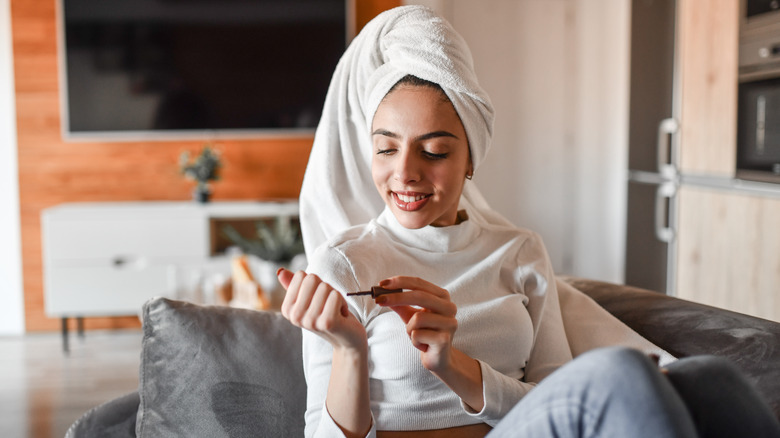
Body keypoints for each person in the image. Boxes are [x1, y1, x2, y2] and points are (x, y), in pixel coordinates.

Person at [276, 6, 780, 438]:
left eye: (433, 150)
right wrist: (349, 349)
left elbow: (552, 391)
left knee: (710, 379)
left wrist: (453, 365)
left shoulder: (517, 251)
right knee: (621, 371)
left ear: (470, 160)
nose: (404, 172)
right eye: (386, 148)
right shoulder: (343, 265)